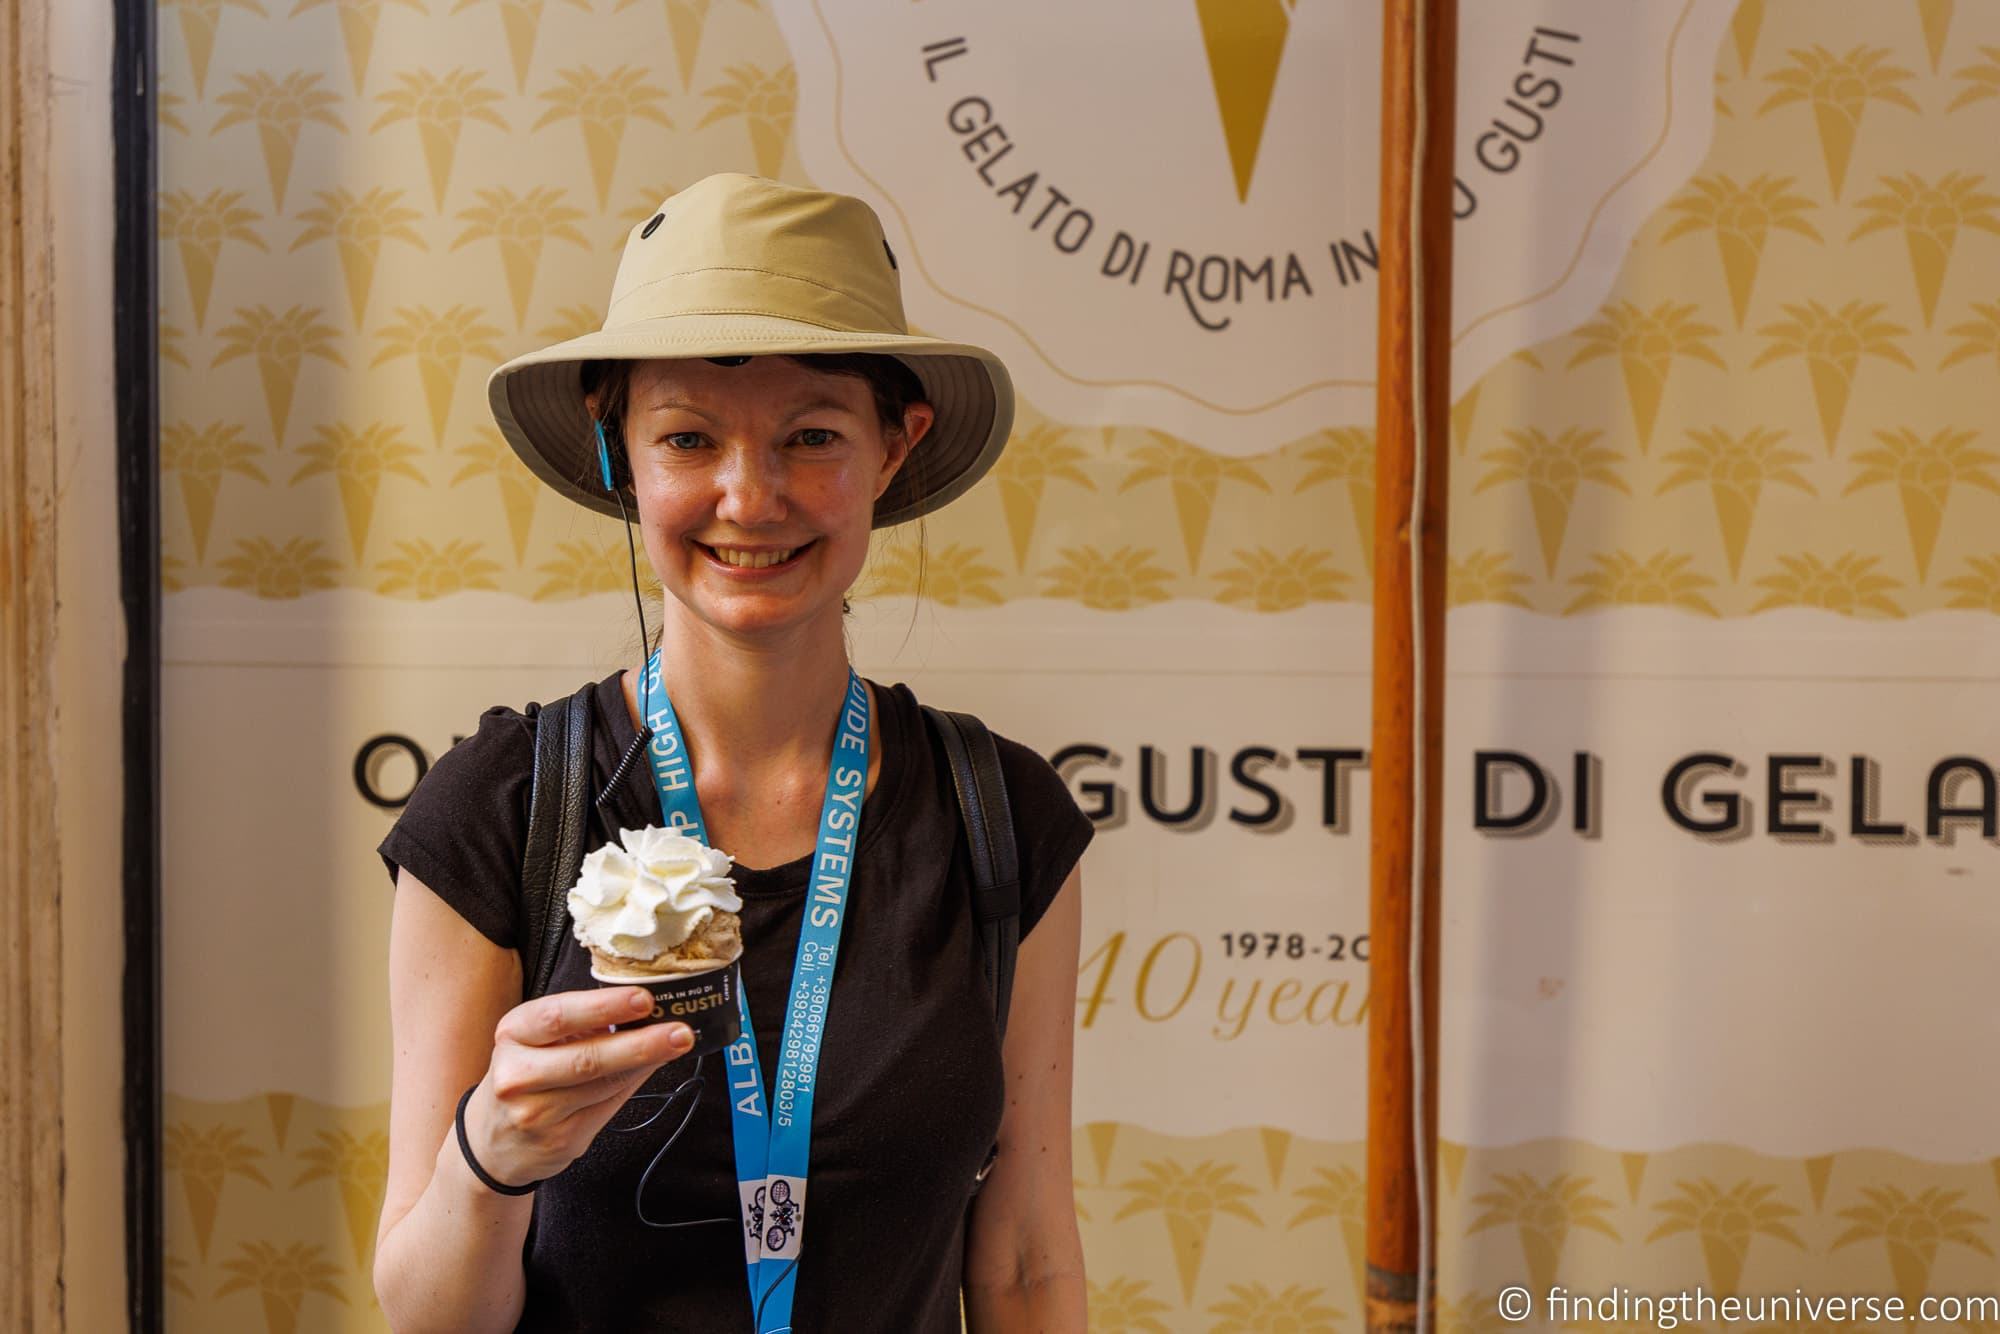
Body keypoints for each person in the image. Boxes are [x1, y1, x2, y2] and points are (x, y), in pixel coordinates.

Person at [369, 174, 1092, 1333]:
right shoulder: (501, 809)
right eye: (687, 437)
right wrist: (493, 1149)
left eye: (810, 436)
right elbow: (427, 1314)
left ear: (896, 449)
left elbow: (1023, 1260)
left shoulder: (997, 813)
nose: (747, 499)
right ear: (618, 455)